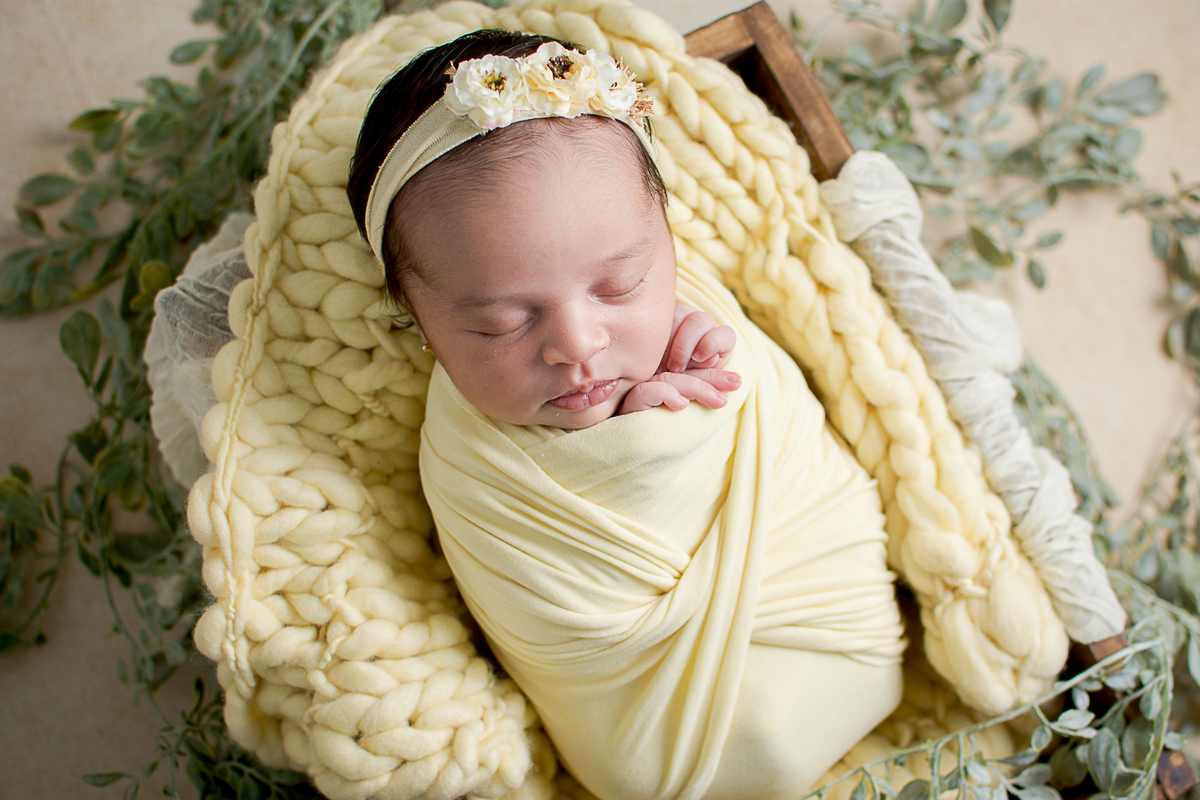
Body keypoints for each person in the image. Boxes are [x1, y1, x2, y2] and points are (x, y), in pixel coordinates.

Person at [346, 29, 906, 800]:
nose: (577, 345)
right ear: (416, 317)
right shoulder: (466, 457)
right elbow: (553, 611)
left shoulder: (702, 311)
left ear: (668, 239)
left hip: (837, 629)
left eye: (619, 286)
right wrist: (643, 453)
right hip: (652, 745)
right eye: (503, 323)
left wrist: (701, 410)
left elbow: (790, 442)